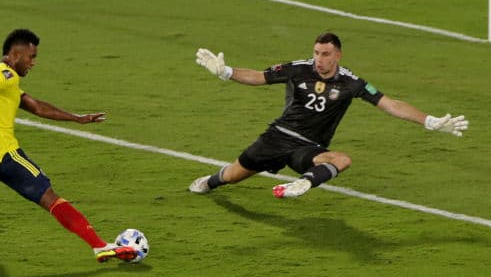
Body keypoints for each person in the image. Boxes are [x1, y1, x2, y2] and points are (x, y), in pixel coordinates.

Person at [0, 28, 137, 263]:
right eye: (32, 56)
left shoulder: (2, 78)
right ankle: (99, 246)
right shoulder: (6, 74)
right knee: (50, 197)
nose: (33, 62)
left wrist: (77, 117)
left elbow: (36, 106)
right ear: (15, 55)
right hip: (1, 155)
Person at [188, 32, 468, 199]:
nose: (318, 60)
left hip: (309, 148)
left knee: (342, 159)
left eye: (325, 54)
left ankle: (304, 182)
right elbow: (258, 77)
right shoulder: (298, 69)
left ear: (338, 55)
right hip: (277, 138)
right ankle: (210, 181)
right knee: (233, 176)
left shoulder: (351, 83)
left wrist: (430, 121)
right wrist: (226, 72)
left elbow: (390, 104)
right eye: (316, 53)